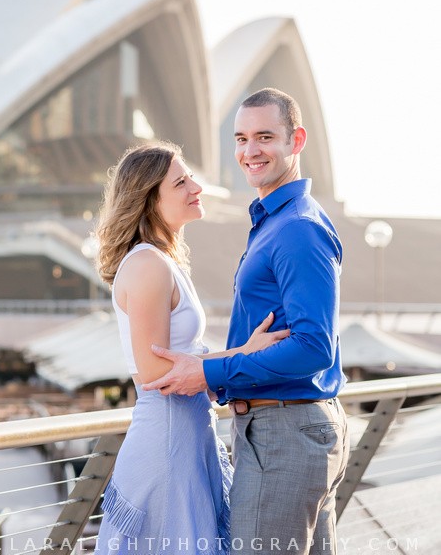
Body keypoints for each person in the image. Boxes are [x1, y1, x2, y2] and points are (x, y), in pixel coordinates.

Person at [143, 89, 350, 555]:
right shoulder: (275, 221)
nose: (249, 151)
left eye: (264, 137)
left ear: (295, 140)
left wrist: (208, 372)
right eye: (240, 138)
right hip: (288, 432)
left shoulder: (297, 227)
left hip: (285, 437)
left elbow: (314, 347)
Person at [94, 141, 289, 555]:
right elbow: (154, 373)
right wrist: (244, 353)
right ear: (150, 200)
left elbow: (180, 354)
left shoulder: (162, 261)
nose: (196, 186)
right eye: (181, 182)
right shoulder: (147, 265)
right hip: (167, 444)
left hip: (185, 435)